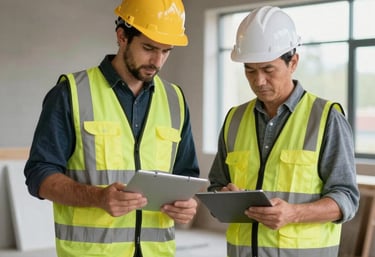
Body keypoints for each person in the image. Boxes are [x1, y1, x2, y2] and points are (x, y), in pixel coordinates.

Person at [24, 1, 200, 257]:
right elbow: (38, 174)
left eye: (166, 51)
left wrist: (187, 204)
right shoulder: (71, 93)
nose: (157, 61)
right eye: (149, 48)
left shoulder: (175, 100)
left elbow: (185, 174)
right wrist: (97, 197)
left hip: (157, 252)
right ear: (122, 37)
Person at [207, 6, 359, 257]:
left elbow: (347, 200)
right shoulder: (234, 119)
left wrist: (294, 213)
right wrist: (223, 196)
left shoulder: (326, 118)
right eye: (250, 70)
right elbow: (216, 187)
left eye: (268, 69)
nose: (259, 81)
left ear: (293, 62)